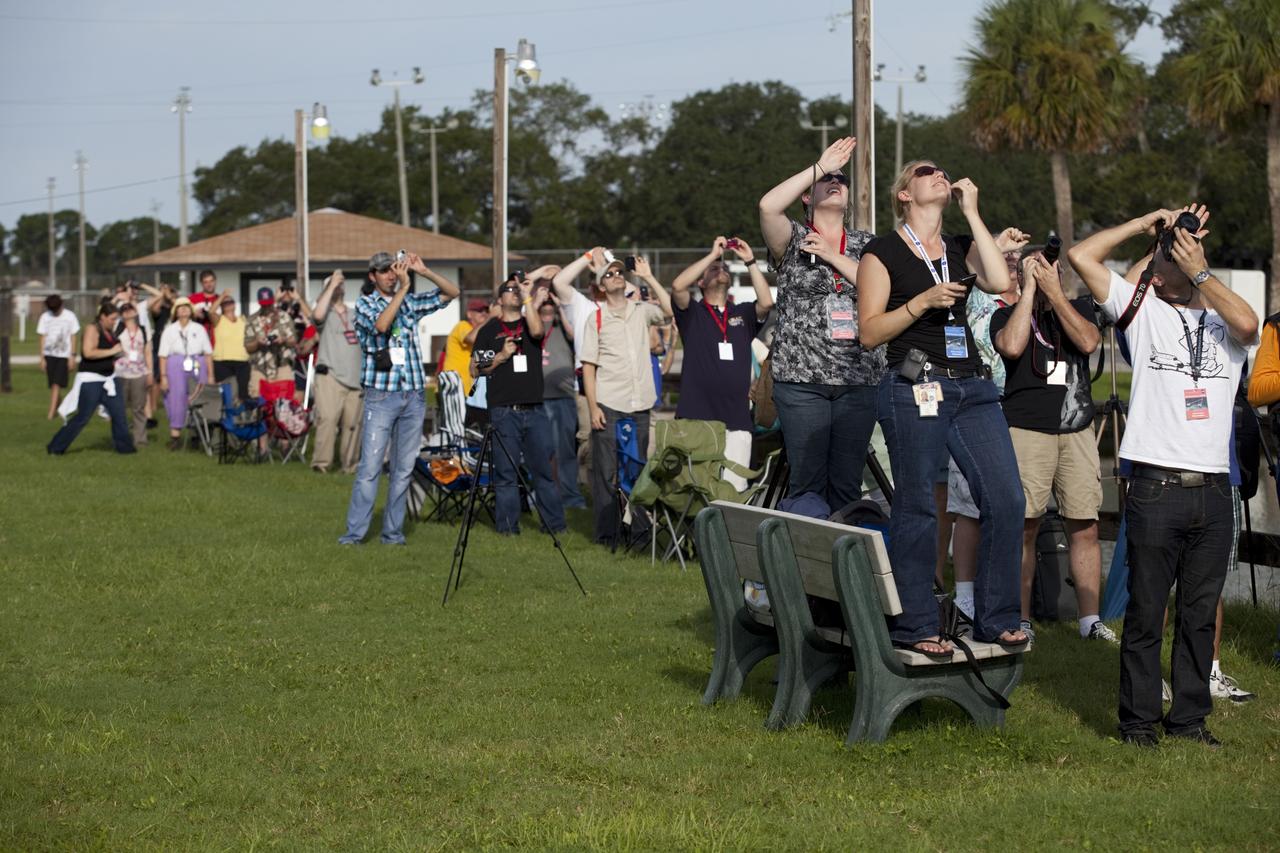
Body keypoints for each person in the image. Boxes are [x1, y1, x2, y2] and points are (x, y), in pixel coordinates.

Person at [1068, 203, 1257, 747]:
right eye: (1159, 258)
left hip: (1214, 492)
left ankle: (1191, 719)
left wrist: (1197, 267)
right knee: (1147, 614)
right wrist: (1145, 226)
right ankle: (1138, 723)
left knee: (1198, 616)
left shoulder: (1225, 321)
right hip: (1156, 486)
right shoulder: (1143, 314)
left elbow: (1248, 324)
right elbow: (1082, 255)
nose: (1160, 265)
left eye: (1172, 255)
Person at [856, 160, 1027, 658]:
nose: (939, 175)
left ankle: (996, 619)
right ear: (904, 195)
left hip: (971, 386)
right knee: (917, 504)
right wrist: (922, 303)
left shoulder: (957, 245)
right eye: (926, 171)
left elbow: (997, 281)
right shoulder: (881, 251)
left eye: (942, 172)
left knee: (1007, 498)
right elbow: (869, 332)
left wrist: (973, 213)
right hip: (914, 383)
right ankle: (916, 625)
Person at [990, 247, 1114, 644]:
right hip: (1026, 431)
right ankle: (1021, 619)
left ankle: (1089, 619)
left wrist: (1055, 292)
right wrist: (1027, 290)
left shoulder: (1076, 306)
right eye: (1037, 266)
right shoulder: (1005, 314)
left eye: (1051, 267)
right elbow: (1010, 346)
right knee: (1025, 527)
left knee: (1085, 524)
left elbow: (1090, 341)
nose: (1046, 272)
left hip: (1076, 431)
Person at [758, 137, 882, 509]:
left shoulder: (868, 244)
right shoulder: (794, 238)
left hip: (857, 380)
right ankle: (804, 563)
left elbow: (878, 287)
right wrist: (820, 165)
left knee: (846, 486)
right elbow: (767, 206)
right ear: (807, 198)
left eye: (841, 179)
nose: (835, 181)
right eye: (827, 179)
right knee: (808, 485)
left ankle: (845, 564)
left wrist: (832, 255)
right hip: (801, 383)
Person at [339, 251, 458, 545]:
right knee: (370, 469)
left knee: (403, 470)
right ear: (372, 276)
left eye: (394, 269)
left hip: (414, 396)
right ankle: (354, 535)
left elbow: (452, 293)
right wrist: (405, 287)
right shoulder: (365, 305)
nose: (391, 275)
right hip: (381, 396)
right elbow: (381, 325)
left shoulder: (410, 303)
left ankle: (393, 534)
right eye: (384, 271)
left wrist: (424, 270)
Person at [579, 253, 673, 546]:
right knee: (605, 473)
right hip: (608, 404)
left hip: (641, 404)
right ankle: (608, 535)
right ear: (601, 287)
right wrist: (593, 407)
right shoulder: (595, 318)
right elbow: (589, 367)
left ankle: (641, 533)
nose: (617, 275)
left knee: (639, 470)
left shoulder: (642, 310)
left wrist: (647, 277)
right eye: (609, 274)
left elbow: (670, 312)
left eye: (619, 271)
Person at [670, 236, 774, 490]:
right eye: (714, 270)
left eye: (723, 268)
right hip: (697, 418)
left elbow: (767, 302)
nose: (721, 270)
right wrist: (712, 255)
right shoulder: (693, 314)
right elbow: (678, 286)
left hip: (736, 418)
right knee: (697, 489)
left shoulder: (741, 314)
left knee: (734, 490)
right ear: (701, 282)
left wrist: (749, 260)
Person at [471, 275, 567, 535]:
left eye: (517, 289)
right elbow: (475, 369)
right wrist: (501, 357)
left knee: (544, 472)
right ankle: (508, 529)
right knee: (506, 474)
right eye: (509, 289)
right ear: (500, 299)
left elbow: (537, 332)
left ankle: (555, 527)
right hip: (504, 411)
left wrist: (528, 297)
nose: (514, 292)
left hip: (535, 410)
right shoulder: (490, 330)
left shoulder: (529, 322)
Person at [47, 302, 135, 456]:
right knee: (83, 417)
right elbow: (88, 352)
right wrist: (112, 351)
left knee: (119, 414)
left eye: (116, 319)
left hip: (109, 379)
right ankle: (56, 447)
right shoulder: (92, 329)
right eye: (112, 319)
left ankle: (125, 449)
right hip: (91, 380)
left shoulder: (111, 331)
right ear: (103, 316)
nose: (114, 322)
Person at [537, 282, 587, 509]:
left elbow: (574, 334)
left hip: (563, 396)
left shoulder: (563, 324)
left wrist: (560, 307)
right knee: (540, 450)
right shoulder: (532, 322)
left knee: (565, 450)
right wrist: (536, 301)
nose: (548, 302)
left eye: (551, 298)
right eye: (545, 299)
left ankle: (570, 496)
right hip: (537, 396)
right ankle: (540, 495)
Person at [310, 270, 364, 475]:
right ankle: (321, 464)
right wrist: (331, 284)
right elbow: (316, 315)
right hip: (330, 376)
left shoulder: (355, 314)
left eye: (340, 285)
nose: (338, 287)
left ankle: (349, 466)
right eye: (333, 286)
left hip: (355, 377)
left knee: (352, 424)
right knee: (328, 419)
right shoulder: (323, 313)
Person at [157, 296, 214, 450]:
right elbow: (163, 355)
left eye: (186, 307)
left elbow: (208, 353)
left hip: (196, 362)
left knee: (198, 395)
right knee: (177, 397)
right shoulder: (169, 330)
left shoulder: (199, 329)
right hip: (176, 364)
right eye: (180, 307)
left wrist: (210, 375)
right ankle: (175, 435)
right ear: (176, 311)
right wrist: (163, 377)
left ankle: (198, 433)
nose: (183, 309)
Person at [243, 287, 299, 400]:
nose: (267, 307)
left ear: (273, 301)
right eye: (264, 304)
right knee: (259, 402)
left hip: (281, 365)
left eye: (268, 304)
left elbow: (294, 341)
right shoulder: (252, 320)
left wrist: (283, 340)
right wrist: (258, 342)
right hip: (260, 367)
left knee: (285, 403)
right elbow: (248, 347)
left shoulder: (284, 317)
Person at [114, 301, 153, 447]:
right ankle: (121, 438)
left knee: (138, 408)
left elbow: (148, 352)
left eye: (130, 309)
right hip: (121, 373)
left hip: (139, 373)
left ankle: (140, 440)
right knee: (120, 408)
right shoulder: (117, 329)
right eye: (124, 310)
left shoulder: (143, 330)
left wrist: (150, 372)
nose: (127, 312)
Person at [37, 294, 80, 420]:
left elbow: (73, 336)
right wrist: (42, 358)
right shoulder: (45, 317)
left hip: (64, 355)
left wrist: (72, 356)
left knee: (56, 384)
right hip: (49, 354)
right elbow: (42, 337)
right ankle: (59, 406)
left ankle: (51, 413)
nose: (54, 312)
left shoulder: (70, 316)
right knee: (54, 385)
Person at [443, 297, 491, 396]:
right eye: (479, 310)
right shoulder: (462, 326)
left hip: (470, 388)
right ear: (469, 314)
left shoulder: (484, 333)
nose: (484, 313)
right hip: (454, 387)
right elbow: (471, 339)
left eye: (486, 310)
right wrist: (491, 317)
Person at [210, 293, 250, 401]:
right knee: (226, 395)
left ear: (234, 304)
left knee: (243, 394)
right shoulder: (219, 320)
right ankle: (227, 417)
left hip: (242, 362)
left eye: (230, 302)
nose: (228, 305)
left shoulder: (243, 319)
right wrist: (223, 296)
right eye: (225, 303)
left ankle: (242, 416)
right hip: (223, 362)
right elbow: (211, 311)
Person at [189, 269, 221, 344]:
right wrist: (193, 314)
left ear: (215, 281)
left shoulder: (221, 299)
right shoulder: (193, 299)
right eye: (206, 282)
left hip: (217, 343)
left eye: (211, 281)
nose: (209, 284)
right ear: (201, 283)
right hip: (196, 342)